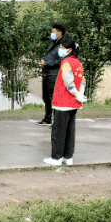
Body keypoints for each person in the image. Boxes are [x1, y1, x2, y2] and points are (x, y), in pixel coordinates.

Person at [44, 38, 85, 167]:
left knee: (58, 131)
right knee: (69, 130)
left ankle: (56, 158)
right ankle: (68, 157)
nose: (60, 49)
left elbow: (68, 81)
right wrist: (80, 94)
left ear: (69, 50)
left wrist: (76, 93)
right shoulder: (77, 62)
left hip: (63, 102)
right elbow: (82, 80)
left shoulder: (66, 62)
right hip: (73, 102)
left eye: (62, 47)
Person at [36, 24, 66, 125]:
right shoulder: (53, 43)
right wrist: (42, 61)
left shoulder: (64, 44)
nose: (52, 34)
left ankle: (57, 121)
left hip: (54, 74)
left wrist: (47, 63)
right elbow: (50, 56)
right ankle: (47, 118)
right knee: (46, 97)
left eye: (53, 32)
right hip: (46, 73)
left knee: (54, 97)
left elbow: (61, 60)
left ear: (59, 32)